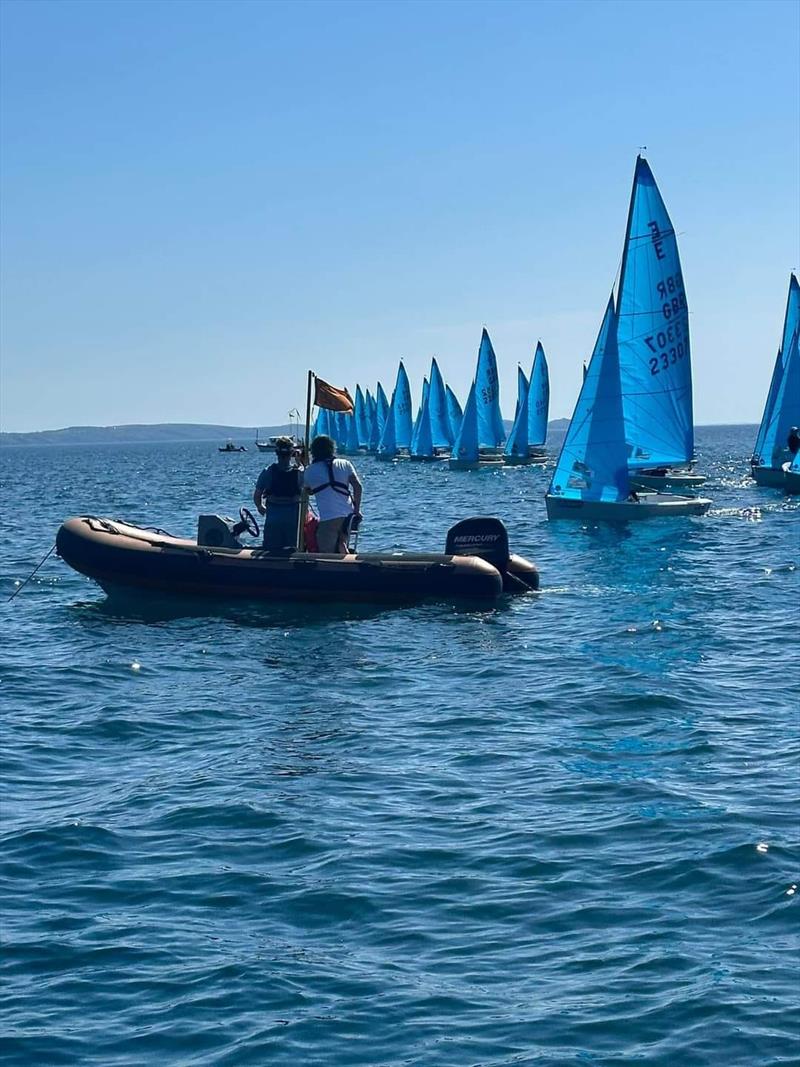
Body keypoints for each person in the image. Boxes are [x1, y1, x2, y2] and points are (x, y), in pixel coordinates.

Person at [303, 434, 363, 553]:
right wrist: (357, 509)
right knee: (342, 541)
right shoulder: (345, 463)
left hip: (329, 518)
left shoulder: (310, 470)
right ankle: (343, 548)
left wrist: (305, 465)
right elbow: (358, 486)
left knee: (326, 553)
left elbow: (308, 491)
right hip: (349, 516)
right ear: (332, 448)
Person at [253, 437, 303, 551]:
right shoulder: (299, 473)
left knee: (271, 550)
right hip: (293, 518)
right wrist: (300, 462)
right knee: (292, 549)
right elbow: (308, 488)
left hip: (273, 516)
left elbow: (257, 495)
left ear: (276, 453)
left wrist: (260, 506)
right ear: (292, 453)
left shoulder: (268, 472)